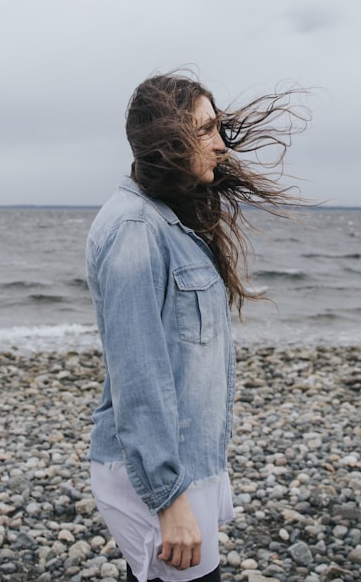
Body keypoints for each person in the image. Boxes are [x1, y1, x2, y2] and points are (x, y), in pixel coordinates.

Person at [85, 71, 308, 582]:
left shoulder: (166, 217)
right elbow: (138, 377)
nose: (221, 144)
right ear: (168, 141)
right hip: (158, 477)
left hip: (182, 463)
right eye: (205, 130)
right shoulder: (136, 230)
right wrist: (168, 500)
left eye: (217, 127)